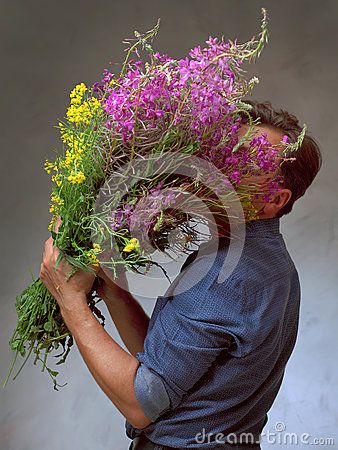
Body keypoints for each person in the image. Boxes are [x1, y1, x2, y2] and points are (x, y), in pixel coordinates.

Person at [40, 101, 322, 450]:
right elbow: (169, 366)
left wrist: (71, 302)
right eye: (228, 149)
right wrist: (114, 291)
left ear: (274, 201)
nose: (222, 164)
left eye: (247, 161)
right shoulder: (266, 260)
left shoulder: (229, 275)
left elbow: (141, 404)